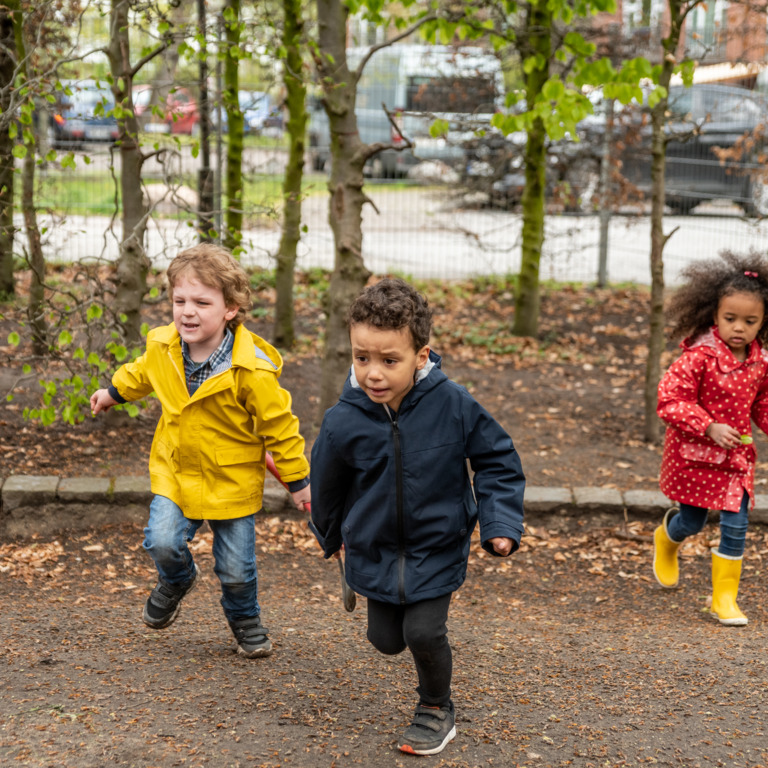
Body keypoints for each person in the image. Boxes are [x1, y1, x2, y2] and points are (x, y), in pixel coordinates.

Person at [309, 278, 525, 756]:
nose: (373, 374)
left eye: (390, 360)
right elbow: (326, 482)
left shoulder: (454, 405)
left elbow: (497, 461)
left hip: (436, 542)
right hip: (372, 545)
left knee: (422, 632)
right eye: (361, 358)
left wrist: (501, 524)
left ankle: (435, 708)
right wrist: (330, 538)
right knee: (386, 640)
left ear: (421, 356)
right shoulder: (343, 419)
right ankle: (358, 578)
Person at [90, 244, 310, 657]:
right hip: (178, 469)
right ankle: (176, 579)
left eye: (202, 302)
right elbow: (142, 373)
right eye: (180, 301)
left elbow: (279, 427)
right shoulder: (163, 347)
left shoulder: (252, 371)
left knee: (236, 568)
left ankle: (245, 620)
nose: (187, 311)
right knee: (162, 540)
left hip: (232, 479)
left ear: (230, 308)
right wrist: (113, 392)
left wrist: (298, 481)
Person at [654, 251, 768, 626]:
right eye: (730, 318)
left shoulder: (761, 362)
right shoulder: (699, 357)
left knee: (736, 525)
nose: (739, 328)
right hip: (695, 457)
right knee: (693, 523)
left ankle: (724, 599)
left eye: (750, 321)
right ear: (714, 315)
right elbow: (670, 399)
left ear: (763, 321)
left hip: (735, 460)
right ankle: (667, 540)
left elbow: (763, 404)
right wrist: (708, 426)